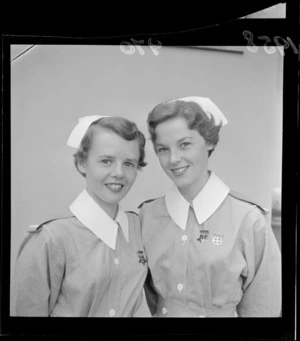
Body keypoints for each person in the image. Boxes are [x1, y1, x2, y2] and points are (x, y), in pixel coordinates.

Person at [139, 96, 281, 317]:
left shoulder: (249, 220)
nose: (173, 158)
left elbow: (263, 310)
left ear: (209, 141)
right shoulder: (147, 216)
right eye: (163, 149)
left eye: (184, 144)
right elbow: (148, 298)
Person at [11, 115, 148, 317]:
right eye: (106, 161)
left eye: (129, 163)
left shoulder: (139, 227)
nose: (119, 173)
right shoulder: (50, 239)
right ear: (82, 163)